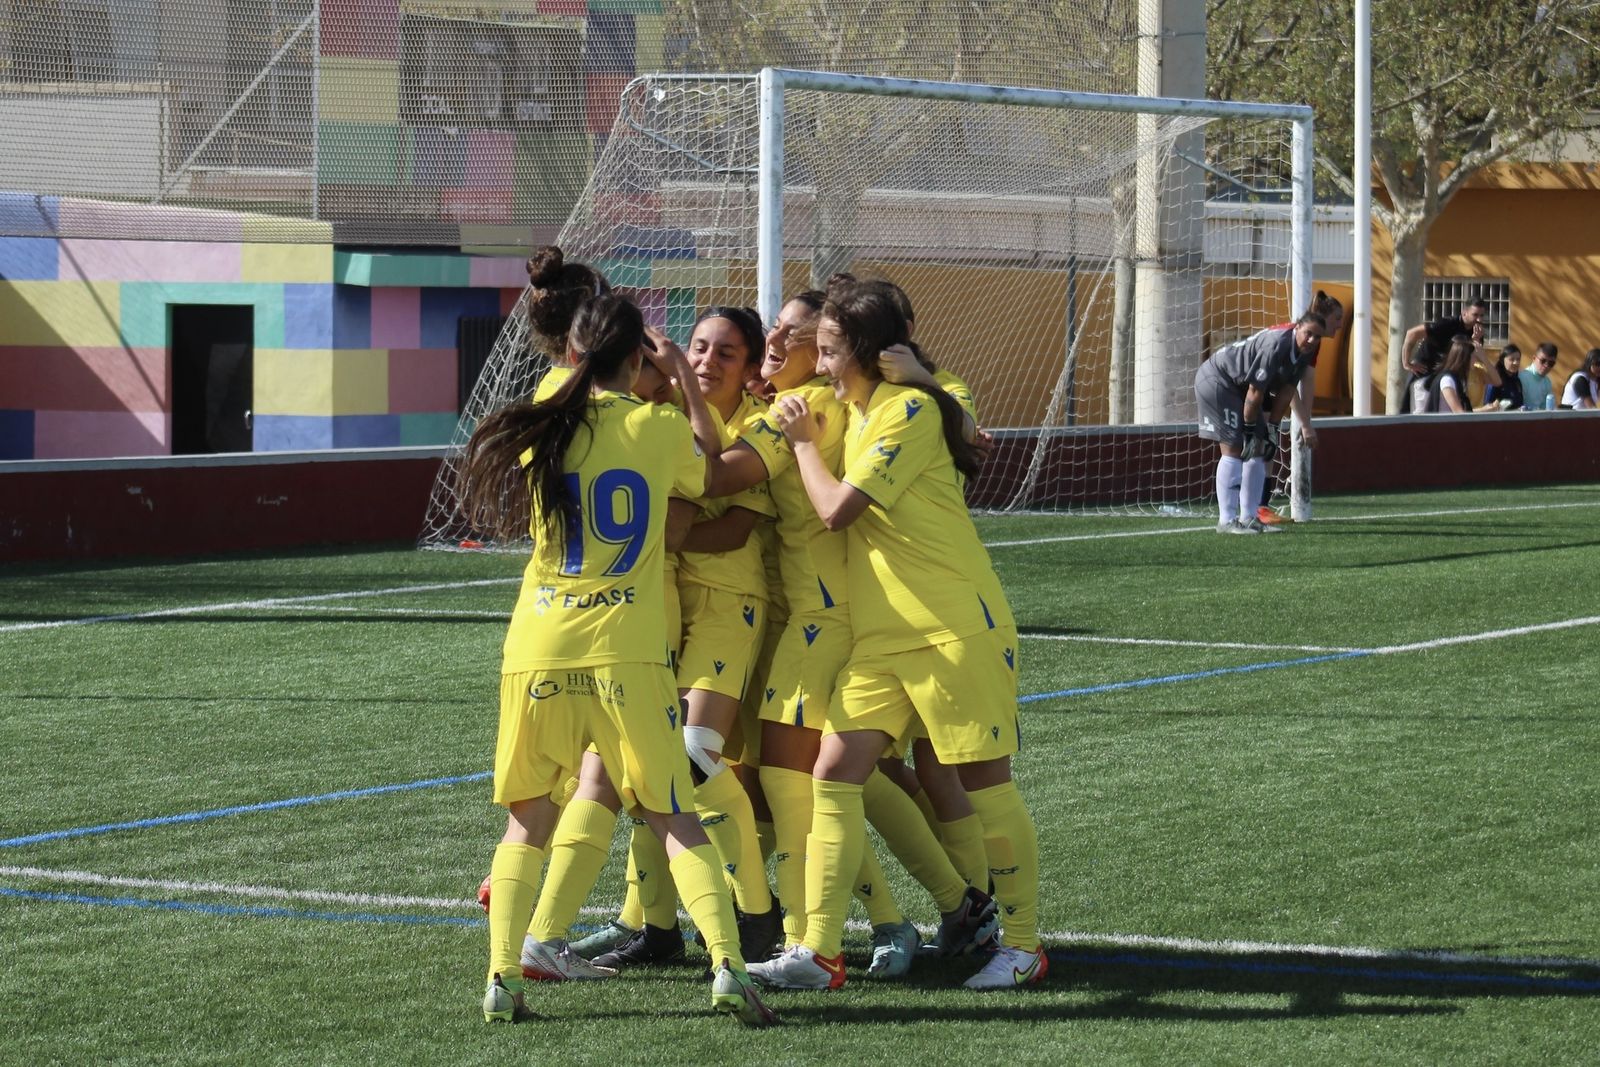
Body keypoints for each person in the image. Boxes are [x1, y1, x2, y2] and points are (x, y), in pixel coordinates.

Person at [460, 292, 775, 1027]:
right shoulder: (658, 428)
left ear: (573, 355)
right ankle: (729, 965)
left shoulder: (546, 411)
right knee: (674, 813)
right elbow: (710, 462)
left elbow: (572, 371)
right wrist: (688, 384)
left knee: (527, 821)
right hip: (626, 650)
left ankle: (503, 978)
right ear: (641, 358)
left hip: (538, 644)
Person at [750, 282, 1044, 991]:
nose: (817, 365)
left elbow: (835, 510)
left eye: (825, 351)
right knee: (834, 774)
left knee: (985, 781)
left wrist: (801, 447)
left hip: (950, 627)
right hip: (884, 637)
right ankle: (819, 951)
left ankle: (1025, 946)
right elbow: (966, 422)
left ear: (865, 352)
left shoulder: (907, 408)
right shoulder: (873, 403)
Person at [1195, 312, 1326, 534]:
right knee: (1235, 446)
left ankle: (1250, 517)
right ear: (1297, 329)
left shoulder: (1305, 353)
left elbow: (1287, 391)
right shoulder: (1276, 344)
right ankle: (1227, 520)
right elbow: (1255, 391)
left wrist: (1272, 427)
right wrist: (1248, 428)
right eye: (1308, 334)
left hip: (1239, 388)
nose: (1312, 340)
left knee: (1260, 447)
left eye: (1317, 337)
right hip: (1218, 379)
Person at [1257, 291, 1342, 526]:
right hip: (1253, 385)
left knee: (1267, 446)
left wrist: (1307, 421)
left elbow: (1307, 381)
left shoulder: (1312, 342)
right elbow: (1290, 386)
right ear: (1323, 317)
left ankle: (1260, 507)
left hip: (1266, 389)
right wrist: (1305, 424)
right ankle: (1252, 507)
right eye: (1337, 318)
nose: (1341, 324)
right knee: (1258, 446)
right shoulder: (1296, 338)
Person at [1403, 296, 1487, 373]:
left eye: (1481, 315)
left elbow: (1474, 360)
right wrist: (1407, 363)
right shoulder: (1448, 323)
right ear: (1464, 313)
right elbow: (1412, 333)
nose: (1479, 319)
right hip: (1424, 368)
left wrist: (1476, 340)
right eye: (1475, 315)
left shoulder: (1477, 332)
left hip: (1447, 371)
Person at [1417, 334, 1498, 414]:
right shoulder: (1447, 380)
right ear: (1465, 358)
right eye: (1473, 356)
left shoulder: (1458, 379)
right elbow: (1459, 413)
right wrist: (1485, 410)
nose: (1475, 360)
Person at [1481, 344, 1525, 410]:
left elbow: (1520, 403)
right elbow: (1487, 405)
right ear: (1502, 360)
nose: (1516, 363)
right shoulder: (1495, 380)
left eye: (1518, 359)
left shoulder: (1517, 381)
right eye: (1511, 359)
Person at [1519, 343, 1558, 411]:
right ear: (1534, 358)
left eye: (1551, 363)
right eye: (1543, 361)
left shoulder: (1547, 381)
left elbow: (1548, 409)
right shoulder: (1522, 378)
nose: (1546, 365)